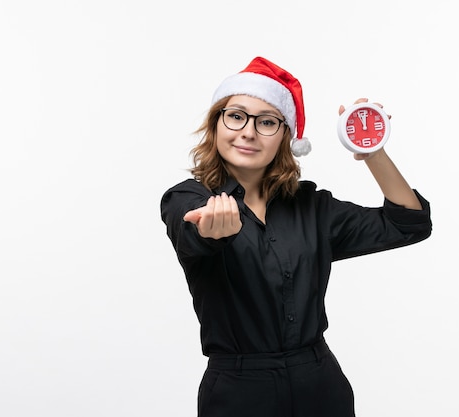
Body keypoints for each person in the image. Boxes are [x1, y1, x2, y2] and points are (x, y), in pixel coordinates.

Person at [160, 56, 432, 417]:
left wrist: (372, 151)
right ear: (216, 125)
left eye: (267, 122)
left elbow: (409, 224)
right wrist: (210, 229)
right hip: (238, 392)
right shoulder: (188, 199)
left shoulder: (311, 207)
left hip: (319, 384)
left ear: (285, 138)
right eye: (236, 116)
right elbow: (191, 230)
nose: (248, 132)